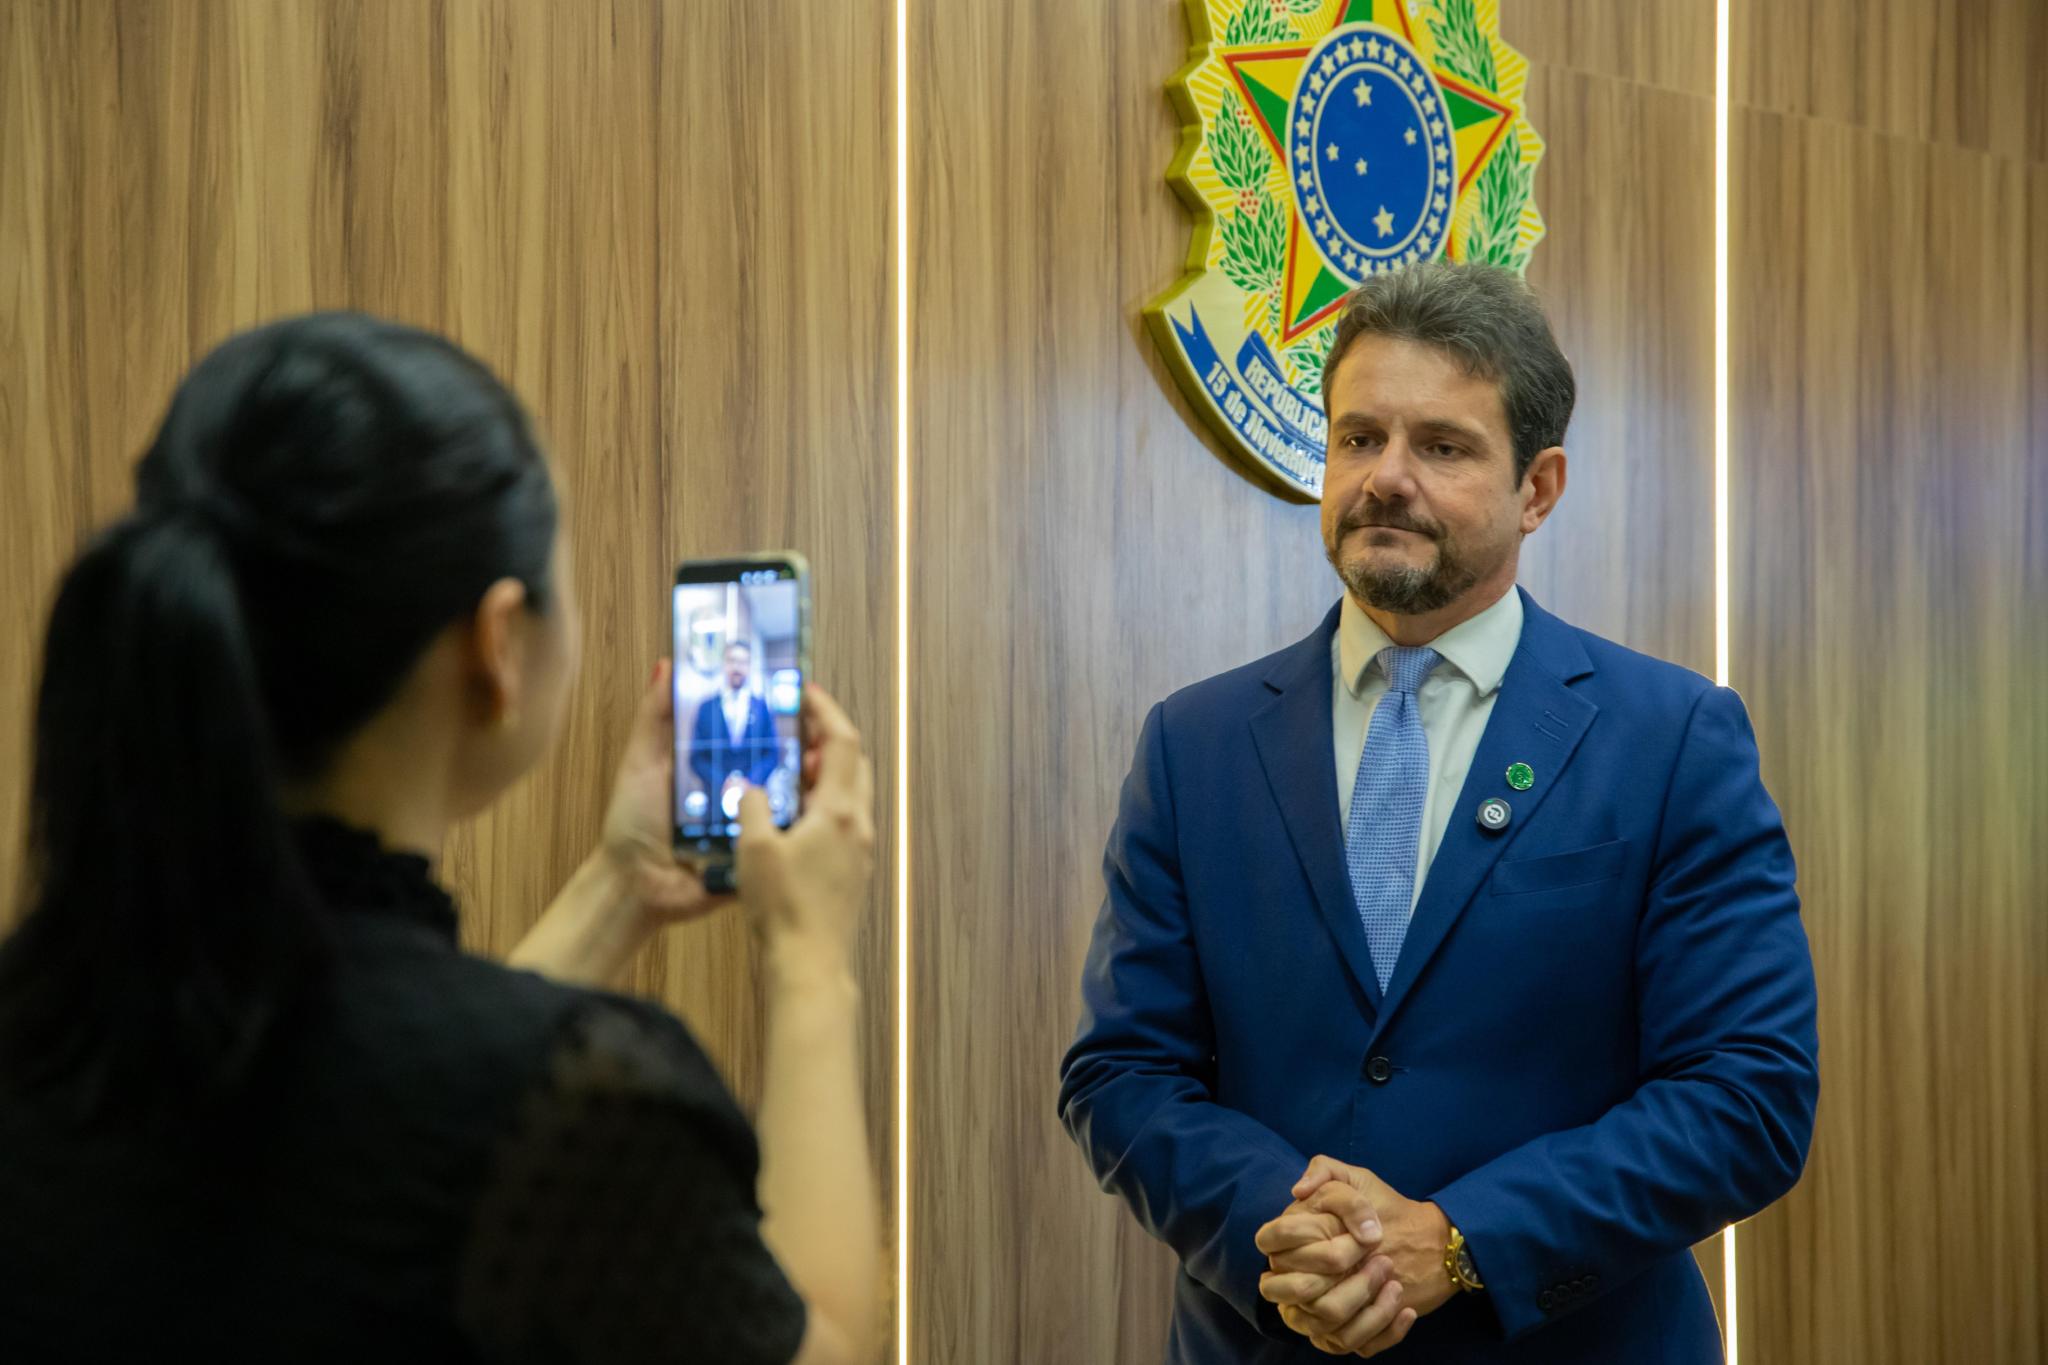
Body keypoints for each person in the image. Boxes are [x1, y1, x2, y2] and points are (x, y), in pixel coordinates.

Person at [0, 314, 879, 1365]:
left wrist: (619, 889)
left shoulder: (65, 1024)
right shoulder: (588, 1116)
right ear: (497, 643)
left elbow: (376, 1108)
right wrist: (808, 959)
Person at [1058, 263, 1819, 1363]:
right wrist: (1291, 1232)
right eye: (1358, 438)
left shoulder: (1672, 739)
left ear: (1537, 488)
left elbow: (1746, 1095)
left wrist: (1461, 1240)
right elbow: (1122, 1072)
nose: (1385, 478)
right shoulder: (1194, 744)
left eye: (1443, 447)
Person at [691, 640, 785, 803]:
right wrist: (723, 782)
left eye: (742, 662)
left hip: (753, 798)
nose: (736, 667)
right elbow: (697, 758)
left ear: (749, 666)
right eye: (731, 660)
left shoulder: (762, 707)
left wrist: (749, 781)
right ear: (723, 664)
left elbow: (772, 753)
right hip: (715, 801)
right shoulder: (706, 708)